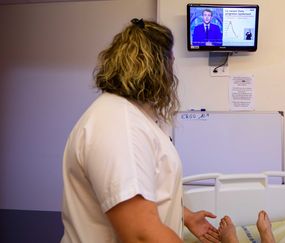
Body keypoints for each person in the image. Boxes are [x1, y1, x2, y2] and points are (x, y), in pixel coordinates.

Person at [60, 18, 219, 243]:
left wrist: (185, 216)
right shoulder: (120, 124)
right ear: (158, 67)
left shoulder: (126, 117)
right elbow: (141, 234)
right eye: (171, 62)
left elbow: (134, 193)